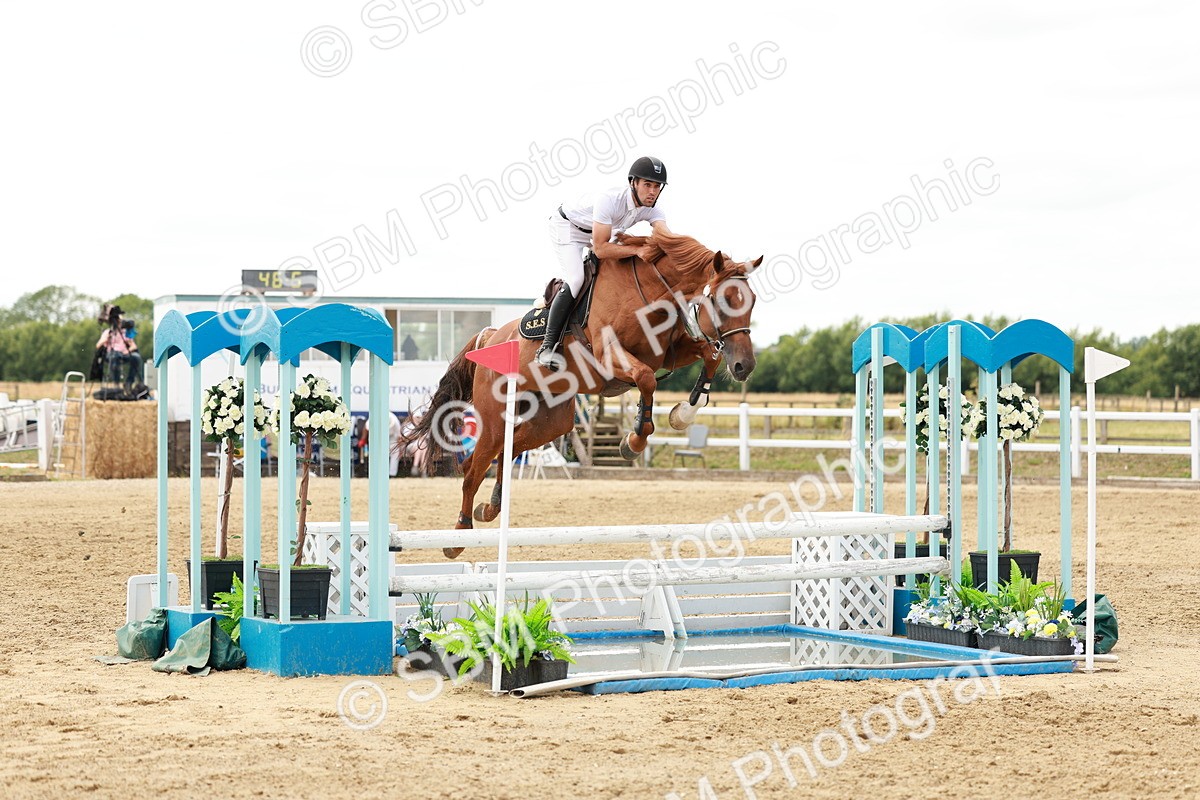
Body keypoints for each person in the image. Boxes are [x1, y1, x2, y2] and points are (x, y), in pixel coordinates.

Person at [536, 155, 672, 370]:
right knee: (577, 277)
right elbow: (600, 249)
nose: (652, 191)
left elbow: (666, 237)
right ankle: (547, 347)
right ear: (633, 183)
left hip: (604, 230)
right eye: (647, 184)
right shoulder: (609, 199)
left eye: (657, 186)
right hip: (568, 228)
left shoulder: (653, 208)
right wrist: (637, 249)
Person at [95, 317, 143, 390]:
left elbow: (133, 346)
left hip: (124, 354)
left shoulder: (125, 332)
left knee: (136, 357)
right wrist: (106, 339)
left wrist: (127, 351)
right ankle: (116, 384)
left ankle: (129, 382)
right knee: (115, 356)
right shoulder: (108, 332)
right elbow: (98, 345)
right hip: (111, 354)